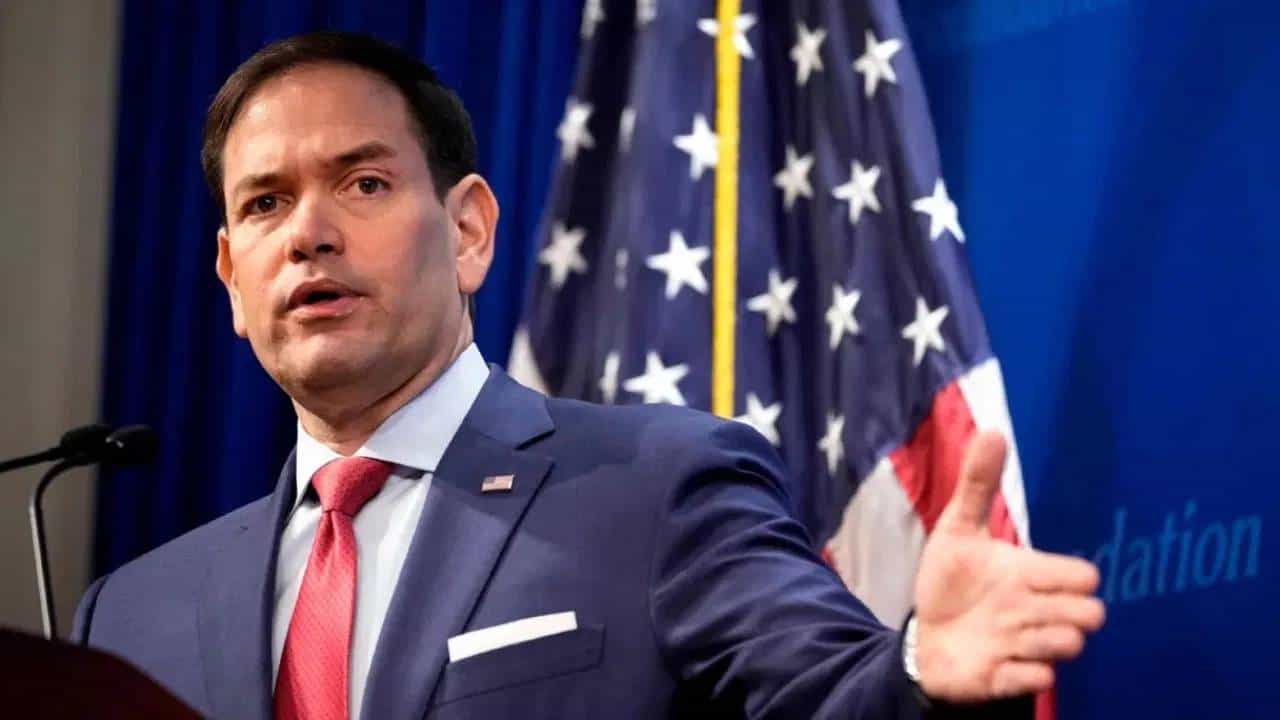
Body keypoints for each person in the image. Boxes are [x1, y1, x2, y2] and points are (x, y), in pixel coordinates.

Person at [73, 32, 1104, 720]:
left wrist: (923, 670)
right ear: (231, 277)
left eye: (365, 182)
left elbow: (829, 693)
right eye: (263, 204)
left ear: (469, 231)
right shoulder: (124, 617)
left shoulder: (657, 489)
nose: (308, 232)